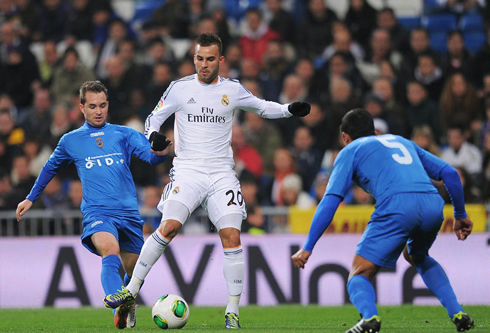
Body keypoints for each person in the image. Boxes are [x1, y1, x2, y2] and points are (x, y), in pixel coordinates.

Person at [103, 33, 311, 329]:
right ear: (194, 58)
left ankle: (233, 311)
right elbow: (152, 118)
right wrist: (153, 137)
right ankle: (131, 291)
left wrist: (289, 109)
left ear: (221, 60)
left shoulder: (233, 89)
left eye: (210, 59)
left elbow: (263, 107)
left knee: (232, 237)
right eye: (199, 58)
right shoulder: (179, 88)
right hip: (187, 170)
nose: (203, 64)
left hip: (221, 173)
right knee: (169, 227)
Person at [291, 109, 475, 333]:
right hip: (432, 203)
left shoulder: (350, 150)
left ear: (345, 137)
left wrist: (308, 246)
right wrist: (460, 214)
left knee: (359, 274)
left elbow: (330, 201)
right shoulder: (402, 141)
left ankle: (370, 319)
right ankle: (458, 313)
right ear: (375, 132)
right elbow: (451, 174)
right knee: (417, 255)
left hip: (396, 205)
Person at [15, 81, 171, 329]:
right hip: (97, 213)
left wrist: (160, 149)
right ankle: (119, 309)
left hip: (129, 214)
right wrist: (30, 197)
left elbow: (150, 157)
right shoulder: (70, 140)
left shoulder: (124, 134)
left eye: (102, 105)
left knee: (135, 270)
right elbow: (49, 168)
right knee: (110, 251)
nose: (98, 111)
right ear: (81, 107)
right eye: (92, 106)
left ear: (107, 105)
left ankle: (127, 301)